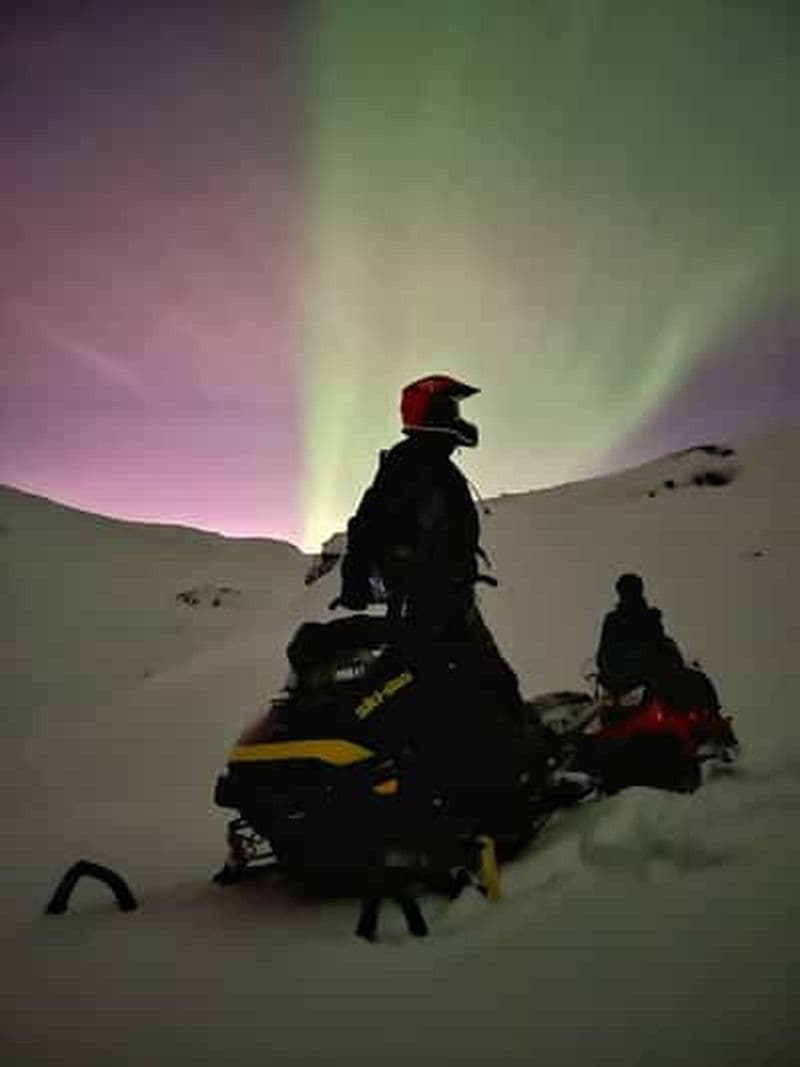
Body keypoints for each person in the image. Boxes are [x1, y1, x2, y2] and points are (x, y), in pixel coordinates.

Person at [336, 374, 531, 778]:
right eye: (451, 409)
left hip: (439, 600)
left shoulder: (425, 466)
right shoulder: (412, 467)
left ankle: (485, 777)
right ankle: (503, 789)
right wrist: (356, 577)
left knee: (462, 689)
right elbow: (368, 525)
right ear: (433, 415)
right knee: (476, 688)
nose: (458, 418)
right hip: (431, 606)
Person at [596, 573, 720, 711]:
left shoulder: (647, 619)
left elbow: (659, 647)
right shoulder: (616, 621)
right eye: (626, 589)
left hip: (645, 680)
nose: (628, 593)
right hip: (627, 683)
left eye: (631, 589)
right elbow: (604, 654)